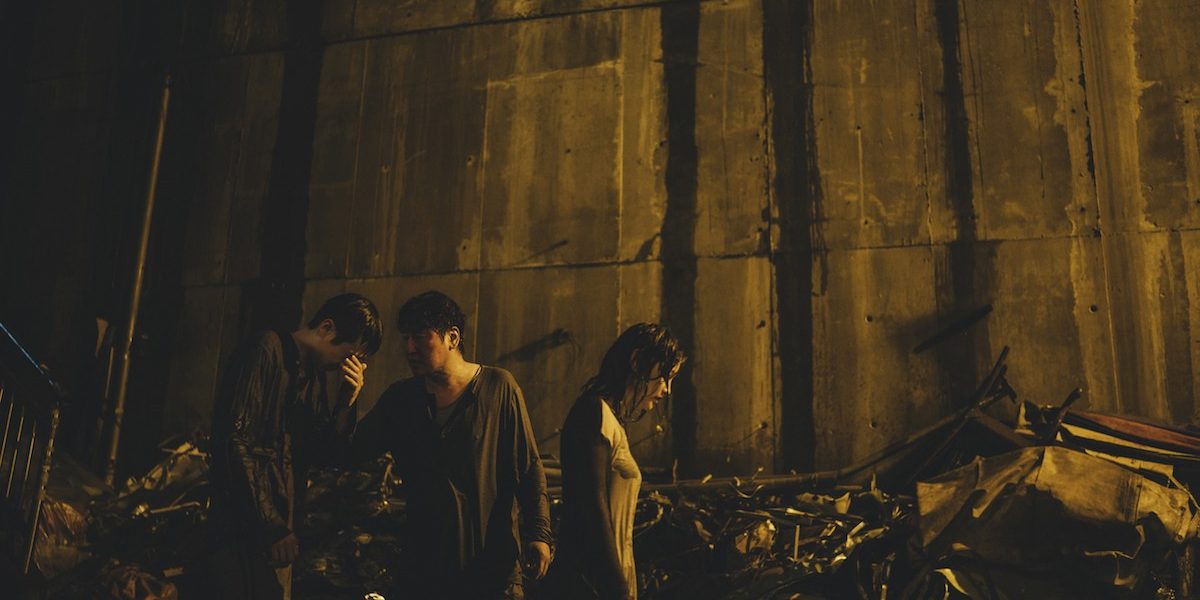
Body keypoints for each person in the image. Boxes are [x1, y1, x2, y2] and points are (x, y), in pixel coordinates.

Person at [349, 290, 553, 599]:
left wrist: (539, 533)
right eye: (406, 339)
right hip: (425, 573)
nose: (410, 348)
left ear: (452, 337)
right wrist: (348, 400)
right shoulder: (402, 399)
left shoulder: (498, 389)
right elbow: (352, 451)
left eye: (420, 338)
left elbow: (528, 468)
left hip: (490, 571)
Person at [205, 293, 383, 600]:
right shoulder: (266, 350)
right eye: (346, 355)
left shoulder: (312, 377)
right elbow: (235, 443)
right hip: (242, 531)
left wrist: (346, 401)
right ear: (326, 328)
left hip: (279, 530)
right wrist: (270, 526)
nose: (344, 365)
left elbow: (326, 454)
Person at [543, 323, 685, 600]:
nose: (667, 389)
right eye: (664, 377)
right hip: (588, 582)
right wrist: (616, 588)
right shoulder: (593, 412)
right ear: (636, 361)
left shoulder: (612, 421)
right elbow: (591, 508)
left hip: (602, 578)